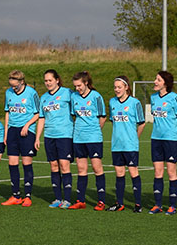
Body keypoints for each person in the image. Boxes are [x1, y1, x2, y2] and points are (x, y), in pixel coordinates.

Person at [35, 69, 74, 209]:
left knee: (64, 165)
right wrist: (37, 138)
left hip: (64, 135)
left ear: (57, 80)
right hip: (49, 135)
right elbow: (41, 118)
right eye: (45, 81)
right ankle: (57, 198)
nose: (48, 83)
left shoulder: (67, 93)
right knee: (53, 166)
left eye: (50, 80)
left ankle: (67, 199)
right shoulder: (44, 97)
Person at [68, 71, 107, 210]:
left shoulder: (96, 97)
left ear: (86, 83)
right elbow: (74, 115)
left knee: (97, 168)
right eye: (75, 86)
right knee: (81, 169)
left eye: (79, 85)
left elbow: (103, 116)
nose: (77, 88)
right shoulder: (74, 97)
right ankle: (80, 201)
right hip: (78, 138)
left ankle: (101, 201)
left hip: (94, 138)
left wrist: (95, 130)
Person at [107, 76, 145, 212]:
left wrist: (135, 137)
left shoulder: (135, 103)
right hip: (116, 144)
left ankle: (138, 204)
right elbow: (113, 120)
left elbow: (142, 123)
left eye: (119, 87)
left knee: (133, 171)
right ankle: (119, 203)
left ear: (126, 87)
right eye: (115, 87)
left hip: (130, 145)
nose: (117, 90)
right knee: (119, 173)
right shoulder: (112, 102)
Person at [2, 70, 40, 206]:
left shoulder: (32, 93)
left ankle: (28, 196)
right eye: (11, 85)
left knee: (26, 163)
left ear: (22, 82)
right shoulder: (8, 93)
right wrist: (6, 132)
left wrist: (27, 125)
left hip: (27, 131)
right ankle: (16, 195)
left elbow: (38, 114)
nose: (13, 88)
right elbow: (7, 113)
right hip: (12, 131)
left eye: (15, 85)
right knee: (12, 163)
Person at [149, 70, 177, 215]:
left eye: (158, 80)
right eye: (155, 79)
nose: (155, 82)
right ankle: (158, 204)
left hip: (170, 140)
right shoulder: (153, 97)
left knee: (171, 172)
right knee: (158, 172)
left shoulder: (175, 98)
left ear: (165, 83)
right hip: (156, 139)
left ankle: (172, 205)